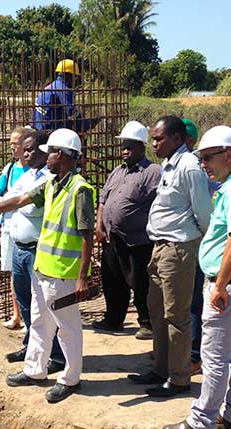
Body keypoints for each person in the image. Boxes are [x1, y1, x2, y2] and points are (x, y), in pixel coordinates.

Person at [0, 128, 95, 403]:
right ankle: (34, 369)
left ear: (61, 154)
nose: (46, 158)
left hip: (63, 273)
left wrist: (83, 278)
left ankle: (70, 378)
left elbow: (86, 236)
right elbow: (19, 200)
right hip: (43, 267)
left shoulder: (80, 189)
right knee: (39, 321)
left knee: (68, 327)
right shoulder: (52, 185)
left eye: (50, 153)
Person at [162, 125, 231, 429]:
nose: (203, 164)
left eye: (208, 157)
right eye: (201, 157)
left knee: (215, 357)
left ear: (230, 154)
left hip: (230, 287)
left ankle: (203, 421)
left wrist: (219, 286)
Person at [128, 116, 212, 398]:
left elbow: (203, 213)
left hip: (178, 248)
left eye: (159, 138)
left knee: (177, 316)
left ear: (177, 138)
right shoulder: (169, 165)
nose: (153, 144)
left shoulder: (189, 168)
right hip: (160, 248)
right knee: (157, 312)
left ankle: (179, 378)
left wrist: (194, 242)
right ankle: (160, 369)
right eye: (153, 138)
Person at [3, 130, 66, 372]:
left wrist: (12, 202)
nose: (25, 153)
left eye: (30, 149)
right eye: (25, 149)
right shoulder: (26, 174)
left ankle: (57, 355)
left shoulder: (46, 179)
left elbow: (19, 202)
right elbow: (9, 196)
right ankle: (32, 345)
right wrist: (12, 201)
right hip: (21, 249)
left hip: (37, 249)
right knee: (25, 301)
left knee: (46, 306)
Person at [92, 121, 161, 336]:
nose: (125, 150)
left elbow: (159, 203)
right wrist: (99, 226)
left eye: (130, 146)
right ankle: (113, 319)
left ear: (142, 146)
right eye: (123, 146)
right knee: (112, 281)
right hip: (113, 239)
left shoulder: (153, 172)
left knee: (140, 283)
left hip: (137, 241)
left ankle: (147, 322)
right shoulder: (117, 172)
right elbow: (104, 200)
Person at [181, 119, 221, 375]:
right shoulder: (175, 165)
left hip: (195, 239)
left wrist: (202, 234)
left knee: (194, 301)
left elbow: (203, 210)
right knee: (183, 303)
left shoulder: (195, 167)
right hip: (188, 239)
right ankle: (183, 351)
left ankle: (194, 356)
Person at [0, 126, 31, 330]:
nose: (12, 148)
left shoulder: (34, 171)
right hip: (9, 225)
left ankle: (29, 317)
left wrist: (8, 200)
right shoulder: (9, 169)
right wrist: (10, 201)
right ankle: (17, 315)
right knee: (14, 273)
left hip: (28, 227)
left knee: (29, 273)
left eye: (15, 143)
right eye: (11, 144)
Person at [32, 59, 99, 133]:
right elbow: (71, 112)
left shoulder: (53, 85)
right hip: (48, 129)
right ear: (69, 75)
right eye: (75, 76)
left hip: (37, 126)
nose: (75, 79)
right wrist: (86, 124)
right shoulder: (63, 90)